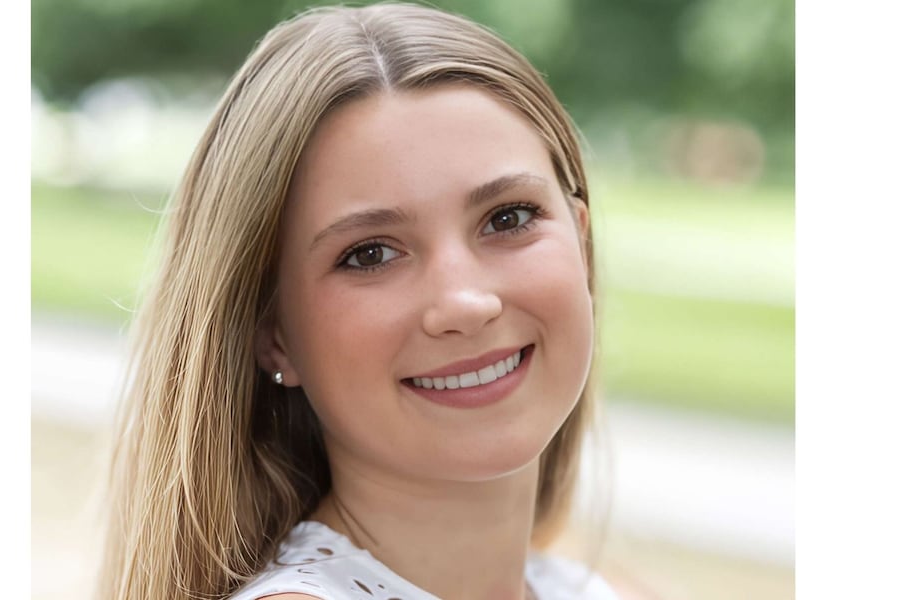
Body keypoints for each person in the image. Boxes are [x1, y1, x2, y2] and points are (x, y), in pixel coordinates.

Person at [97, 3, 616, 599]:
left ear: (581, 240)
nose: (465, 303)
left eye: (509, 217)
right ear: (275, 335)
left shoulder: (580, 586)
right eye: (370, 254)